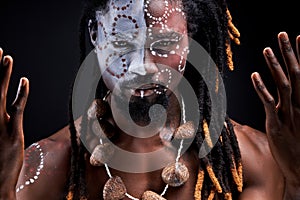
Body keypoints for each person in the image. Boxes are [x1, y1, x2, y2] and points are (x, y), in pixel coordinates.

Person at [0, 0, 299, 200]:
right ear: (95, 35)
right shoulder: (47, 167)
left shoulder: (250, 164)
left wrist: (297, 180)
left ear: (190, 41)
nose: (142, 67)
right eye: (121, 42)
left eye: (164, 43)